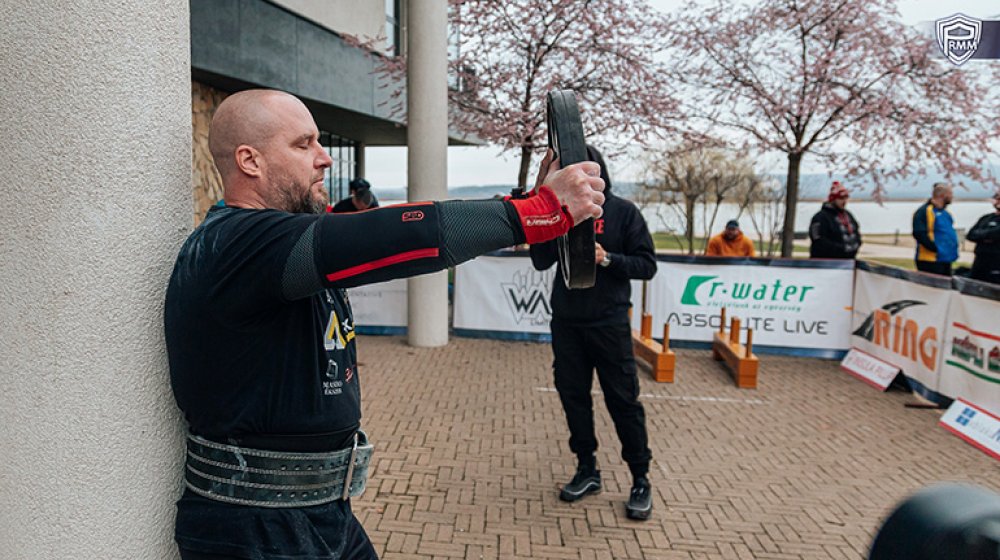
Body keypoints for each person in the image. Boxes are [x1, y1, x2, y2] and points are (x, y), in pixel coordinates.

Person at [164, 89, 605, 560]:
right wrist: (536, 212)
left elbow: (369, 227)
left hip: (318, 514)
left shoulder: (275, 246)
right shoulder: (236, 244)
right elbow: (386, 235)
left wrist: (529, 202)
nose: (325, 159)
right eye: (303, 144)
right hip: (253, 528)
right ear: (250, 161)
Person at [529, 145, 657, 521]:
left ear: (594, 171)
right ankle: (587, 469)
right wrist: (544, 208)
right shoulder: (559, 214)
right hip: (567, 322)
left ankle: (640, 478)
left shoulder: (622, 212)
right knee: (574, 399)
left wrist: (608, 259)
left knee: (623, 402)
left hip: (608, 323)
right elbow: (539, 261)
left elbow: (647, 265)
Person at [912, 182, 958, 276]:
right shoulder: (925, 211)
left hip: (945, 259)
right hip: (930, 259)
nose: (952, 197)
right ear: (942, 195)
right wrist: (935, 248)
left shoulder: (945, 213)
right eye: (950, 194)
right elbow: (919, 233)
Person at [808, 181, 861, 259]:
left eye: (846, 198)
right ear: (833, 199)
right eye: (841, 198)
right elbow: (818, 241)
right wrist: (841, 249)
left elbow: (856, 233)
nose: (844, 201)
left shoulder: (848, 215)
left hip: (848, 261)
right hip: (825, 263)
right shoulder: (819, 218)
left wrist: (855, 246)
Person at [967, 190, 1000, 284]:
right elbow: (971, 234)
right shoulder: (985, 218)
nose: (998, 201)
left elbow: (996, 233)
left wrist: (982, 235)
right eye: (996, 198)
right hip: (979, 263)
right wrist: (987, 236)